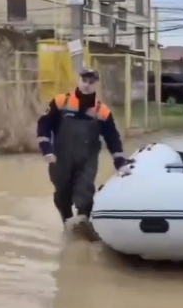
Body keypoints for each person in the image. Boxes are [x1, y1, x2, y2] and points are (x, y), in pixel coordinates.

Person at [36, 67, 128, 239]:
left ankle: (83, 225)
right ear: (79, 81)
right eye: (84, 81)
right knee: (62, 194)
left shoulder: (102, 111)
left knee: (85, 193)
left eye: (91, 82)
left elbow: (112, 137)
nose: (86, 85)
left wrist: (119, 162)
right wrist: (46, 149)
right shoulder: (60, 102)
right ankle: (68, 225)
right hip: (60, 157)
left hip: (87, 160)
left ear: (96, 85)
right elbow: (44, 124)